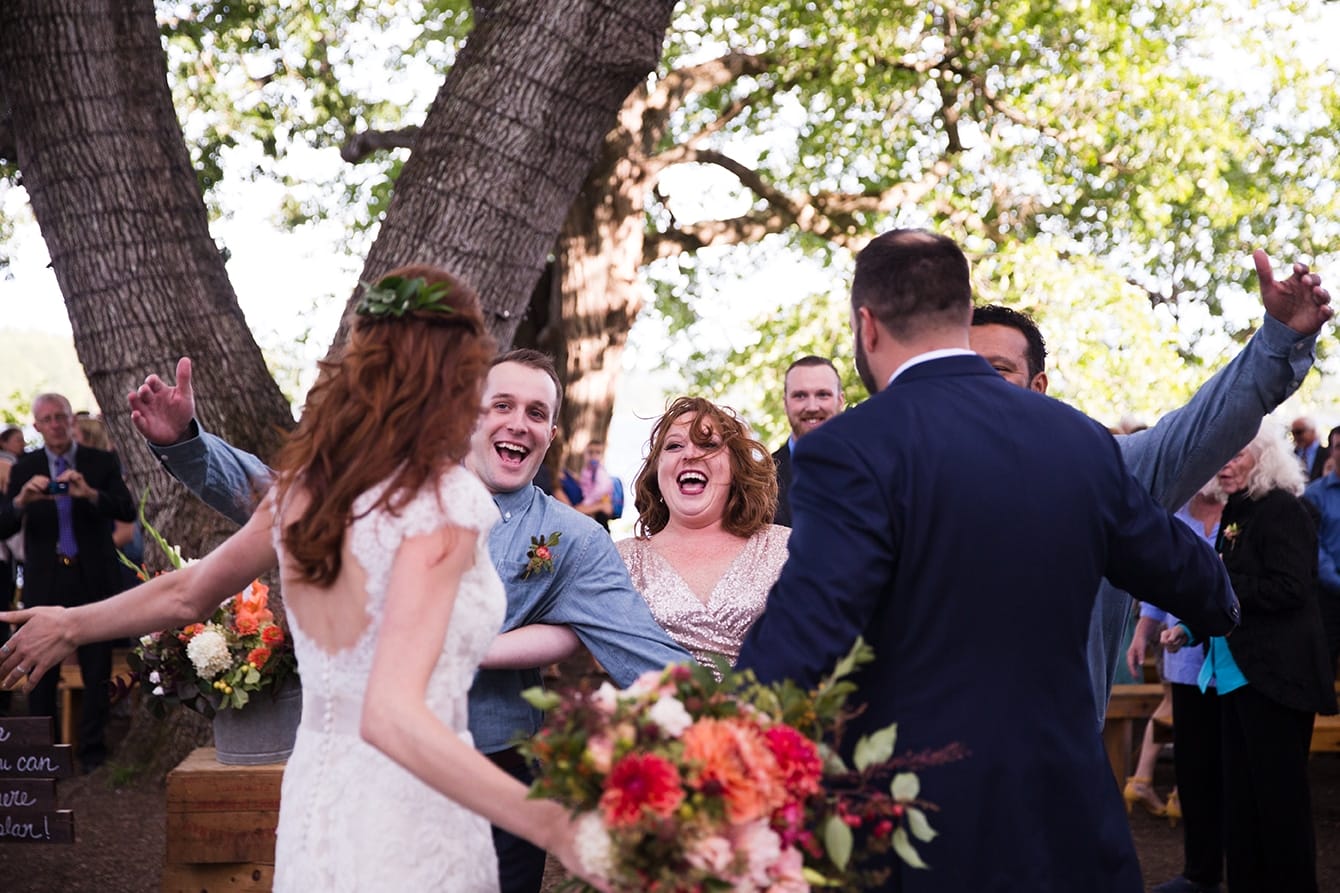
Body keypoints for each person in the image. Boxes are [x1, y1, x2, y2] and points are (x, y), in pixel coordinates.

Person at [0, 268, 608, 892]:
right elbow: (392, 714)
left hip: (322, 803)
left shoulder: (314, 487)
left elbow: (189, 590)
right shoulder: (444, 504)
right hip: (417, 816)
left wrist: (71, 622)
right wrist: (559, 829)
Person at [736, 228, 1239, 892]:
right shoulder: (1079, 440)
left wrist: (713, 746)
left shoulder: (851, 448)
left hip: (920, 825)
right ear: (962, 314)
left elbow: (807, 634)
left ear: (866, 324)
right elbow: (1206, 587)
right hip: (1069, 819)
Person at [122, 349, 689, 893]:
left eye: (536, 413)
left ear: (552, 434)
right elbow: (277, 496)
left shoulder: (575, 539)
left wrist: (747, 723)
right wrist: (189, 446)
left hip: (500, 770)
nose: (519, 423)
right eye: (502, 406)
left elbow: (642, 651)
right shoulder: (393, 497)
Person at [969, 251, 1332, 726]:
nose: (978, 385)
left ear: (1037, 386)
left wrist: (1279, 339)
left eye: (997, 370)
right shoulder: (900, 478)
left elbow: (1203, 426)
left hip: (1054, 763)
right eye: (963, 370)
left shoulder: (1101, 474)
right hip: (912, 777)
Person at [1162, 424, 1338, 893]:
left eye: (1238, 453)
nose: (1227, 462)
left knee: (1280, 807)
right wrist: (1189, 628)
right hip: (1235, 677)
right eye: (1223, 453)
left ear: (1265, 457)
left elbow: (1291, 588)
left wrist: (1220, 582)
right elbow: (1228, 597)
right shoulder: (1239, 510)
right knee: (1241, 804)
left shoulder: (1283, 508)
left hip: (1276, 678)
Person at [0, 393, 135, 771]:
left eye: (61, 416)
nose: (56, 424)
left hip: (92, 576)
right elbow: (3, 524)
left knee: (96, 666)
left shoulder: (99, 461)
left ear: (70, 422)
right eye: (48, 419)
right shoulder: (25, 467)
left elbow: (126, 509)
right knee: (41, 667)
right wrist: (22, 502)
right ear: (37, 426)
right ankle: (44, 755)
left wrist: (89, 494)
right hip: (46, 579)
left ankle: (92, 749)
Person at [617, 396, 788, 669]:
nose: (690, 454)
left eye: (708, 444)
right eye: (674, 446)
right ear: (657, 469)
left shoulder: (786, 548)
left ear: (736, 467)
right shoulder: (620, 560)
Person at [1127, 480, 1227, 893]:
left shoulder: (1240, 512)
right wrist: (1142, 632)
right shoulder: (1175, 517)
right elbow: (1157, 587)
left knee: (1232, 769)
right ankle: (1198, 872)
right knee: (1193, 768)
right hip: (1185, 663)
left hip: (1235, 664)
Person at [771, 355, 844, 527]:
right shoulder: (759, 479)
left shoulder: (875, 466)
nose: (812, 407)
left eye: (823, 395)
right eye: (800, 395)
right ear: (785, 403)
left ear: (840, 401)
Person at [1304, 429, 1340, 671]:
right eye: (1339, 446)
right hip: (1327, 595)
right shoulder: (1314, 494)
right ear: (1331, 450)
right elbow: (1312, 542)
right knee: (1322, 663)